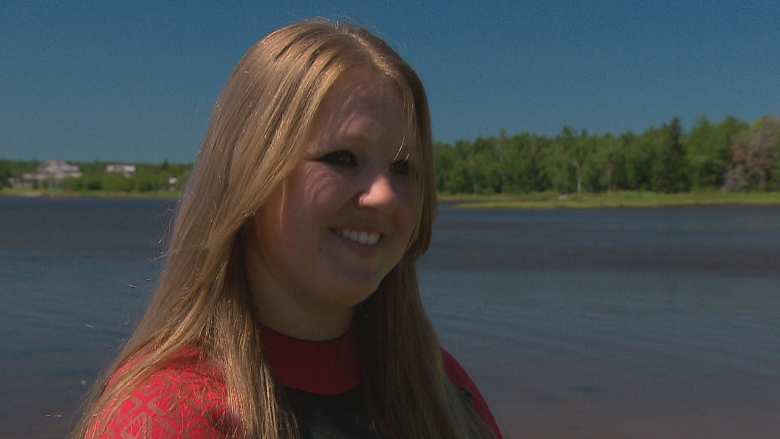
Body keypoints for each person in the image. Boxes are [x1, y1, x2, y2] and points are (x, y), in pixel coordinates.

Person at [73, 20, 503, 439]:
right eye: (342, 158)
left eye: (403, 168)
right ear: (250, 175)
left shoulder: (441, 391)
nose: (385, 195)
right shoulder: (169, 415)